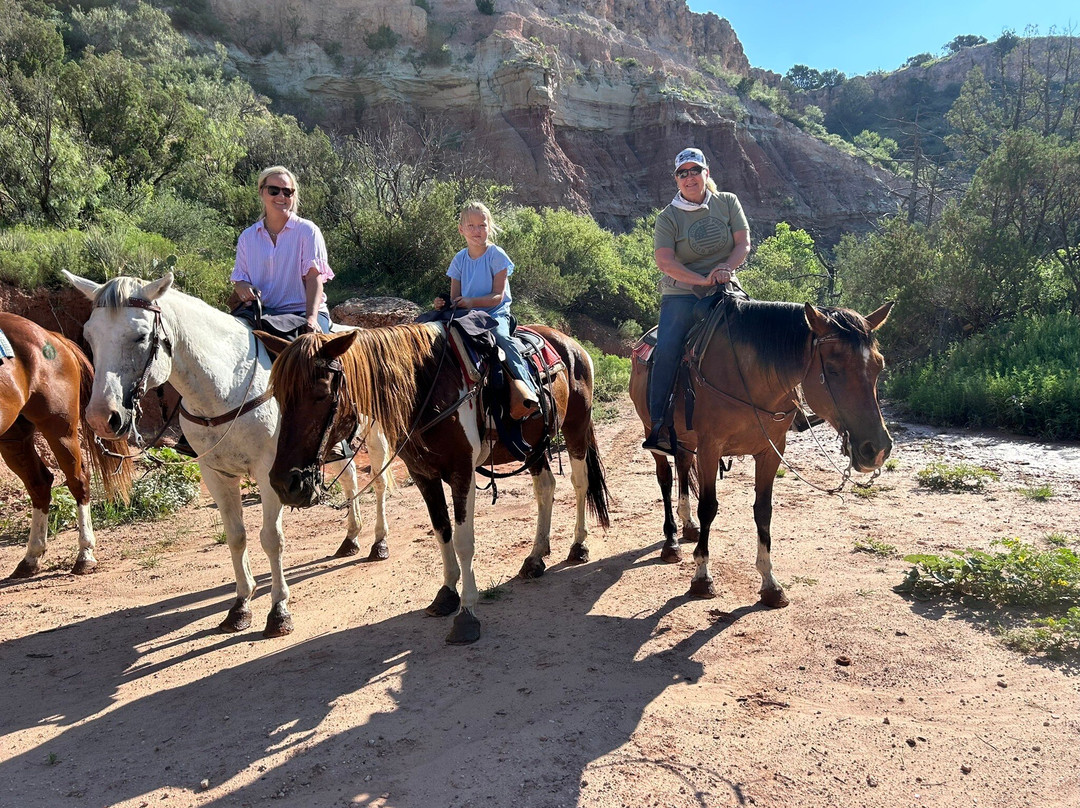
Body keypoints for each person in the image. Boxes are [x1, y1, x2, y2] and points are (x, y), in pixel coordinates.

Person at [643, 147, 751, 456]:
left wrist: (726, 269)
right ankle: (660, 426)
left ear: (706, 173)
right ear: (676, 179)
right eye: (682, 173)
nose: (689, 177)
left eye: (695, 170)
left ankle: (789, 409)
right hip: (682, 293)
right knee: (666, 349)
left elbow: (743, 243)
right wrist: (701, 279)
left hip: (726, 286)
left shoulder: (727, 202)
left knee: (761, 335)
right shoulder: (668, 217)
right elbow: (665, 262)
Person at [446, 201, 538, 420]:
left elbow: (498, 295)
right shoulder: (459, 259)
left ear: (489, 226)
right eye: (471, 226)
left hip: (495, 313)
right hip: (466, 314)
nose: (477, 231)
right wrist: (446, 303)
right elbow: (454, 297)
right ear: (461, 229)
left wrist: (470, 302)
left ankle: (529, 390)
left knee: (501, 339)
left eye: (482, 225)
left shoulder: (496, 254)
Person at [230, 166, 334, 334]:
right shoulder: (247, 237)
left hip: (302, 312)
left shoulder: (307, 231)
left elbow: (314, 277)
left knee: (312, 356)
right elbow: (240, 280)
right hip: (264, 312)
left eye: (287, 192)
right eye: (274, 190)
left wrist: (312, 319)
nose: (281, 196)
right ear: (261, 192)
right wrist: (242, 288)